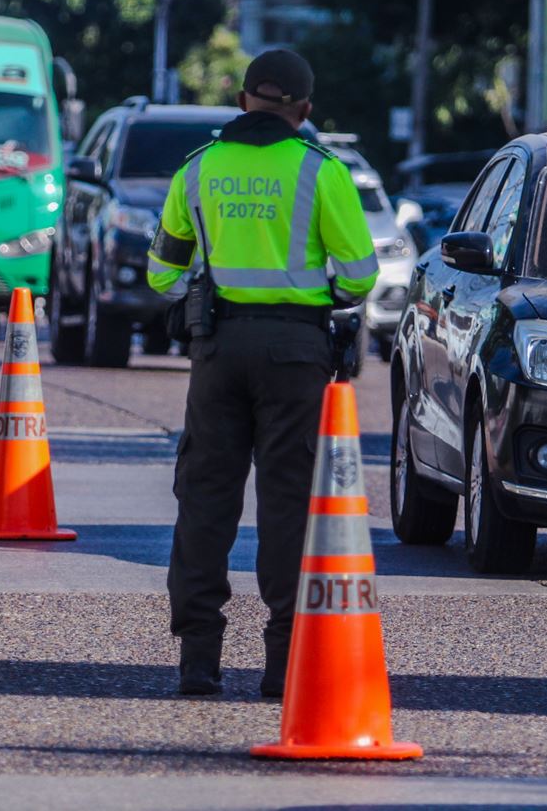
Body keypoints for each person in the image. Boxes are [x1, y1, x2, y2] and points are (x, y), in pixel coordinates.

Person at [146, 49, 379, 699]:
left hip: (216, 350)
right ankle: (281, 665)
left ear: (243, 99)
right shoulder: (318, 171)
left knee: (205, 498)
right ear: (304, 110)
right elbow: (359, 275)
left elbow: (161, 272)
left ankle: (198, 658)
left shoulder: (197, 169)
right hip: (295, 354)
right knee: (287, 502)